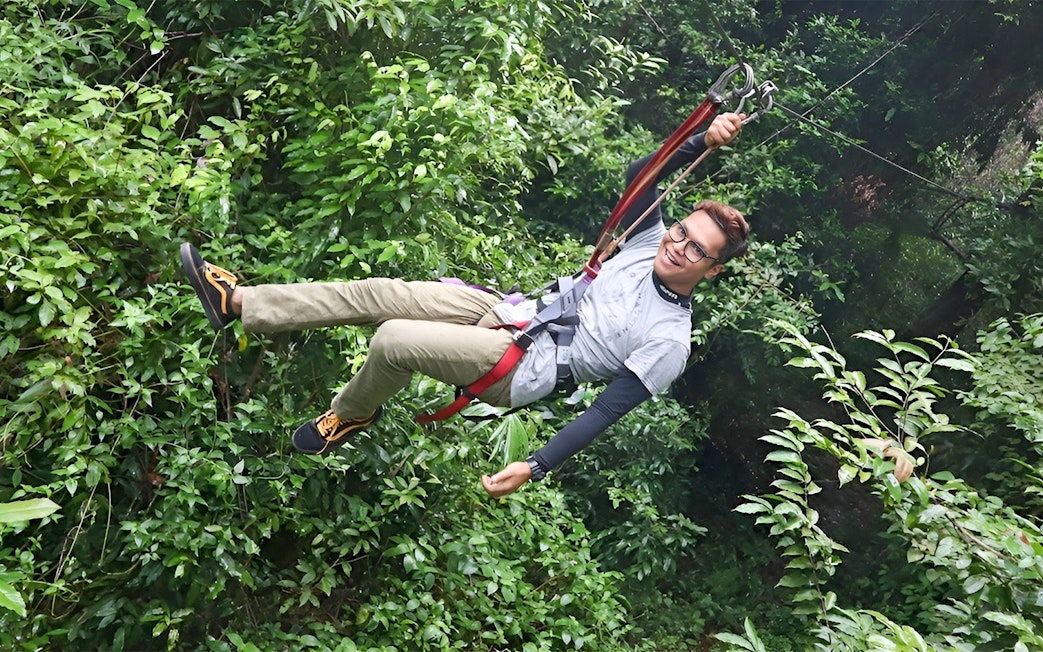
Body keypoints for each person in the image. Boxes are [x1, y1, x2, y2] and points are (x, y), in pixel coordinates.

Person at [181, 112, 749, 498]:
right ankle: (239, 303)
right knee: (380, 293)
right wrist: (701, 141)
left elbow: (604, 411)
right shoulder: (649, 242)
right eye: (681, 231)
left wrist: (537, 464)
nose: (677, 246)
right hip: (511, 312)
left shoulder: (670, 340)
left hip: (524, 367)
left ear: (713, 268)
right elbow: (638, 178)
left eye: (696, 249)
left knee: (393, 340)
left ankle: (352, 412)